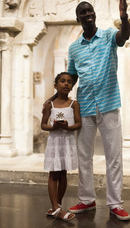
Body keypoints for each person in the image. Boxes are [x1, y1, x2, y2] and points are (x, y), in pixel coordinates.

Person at [66, 0, 130, 221]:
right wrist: (58, 96)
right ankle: (87, 200)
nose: (87, 14)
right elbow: (72, 76)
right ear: (78, 18)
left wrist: (124, 18)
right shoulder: (74, 48)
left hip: (109, 104)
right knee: (84, 156)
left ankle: (115, 203)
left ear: (94, 14)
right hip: (84, 106)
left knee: (114, 156)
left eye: (90, 10)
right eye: (82, 12)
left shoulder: (108, 36)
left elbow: (123, 37)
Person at [41, 72, 81, 221]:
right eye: (62, 81)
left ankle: (56, 206)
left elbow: (78, 124)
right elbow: (43, 125)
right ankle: (57, 210)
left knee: (63, 173)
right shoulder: (49, 105)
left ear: (71, 86)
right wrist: (53, 127)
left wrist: (66, 127)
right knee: (53, 173)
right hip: (55, 141)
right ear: (55, 85)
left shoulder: (74, 104)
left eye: (69, 82)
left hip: (67, 141)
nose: (66, 84)